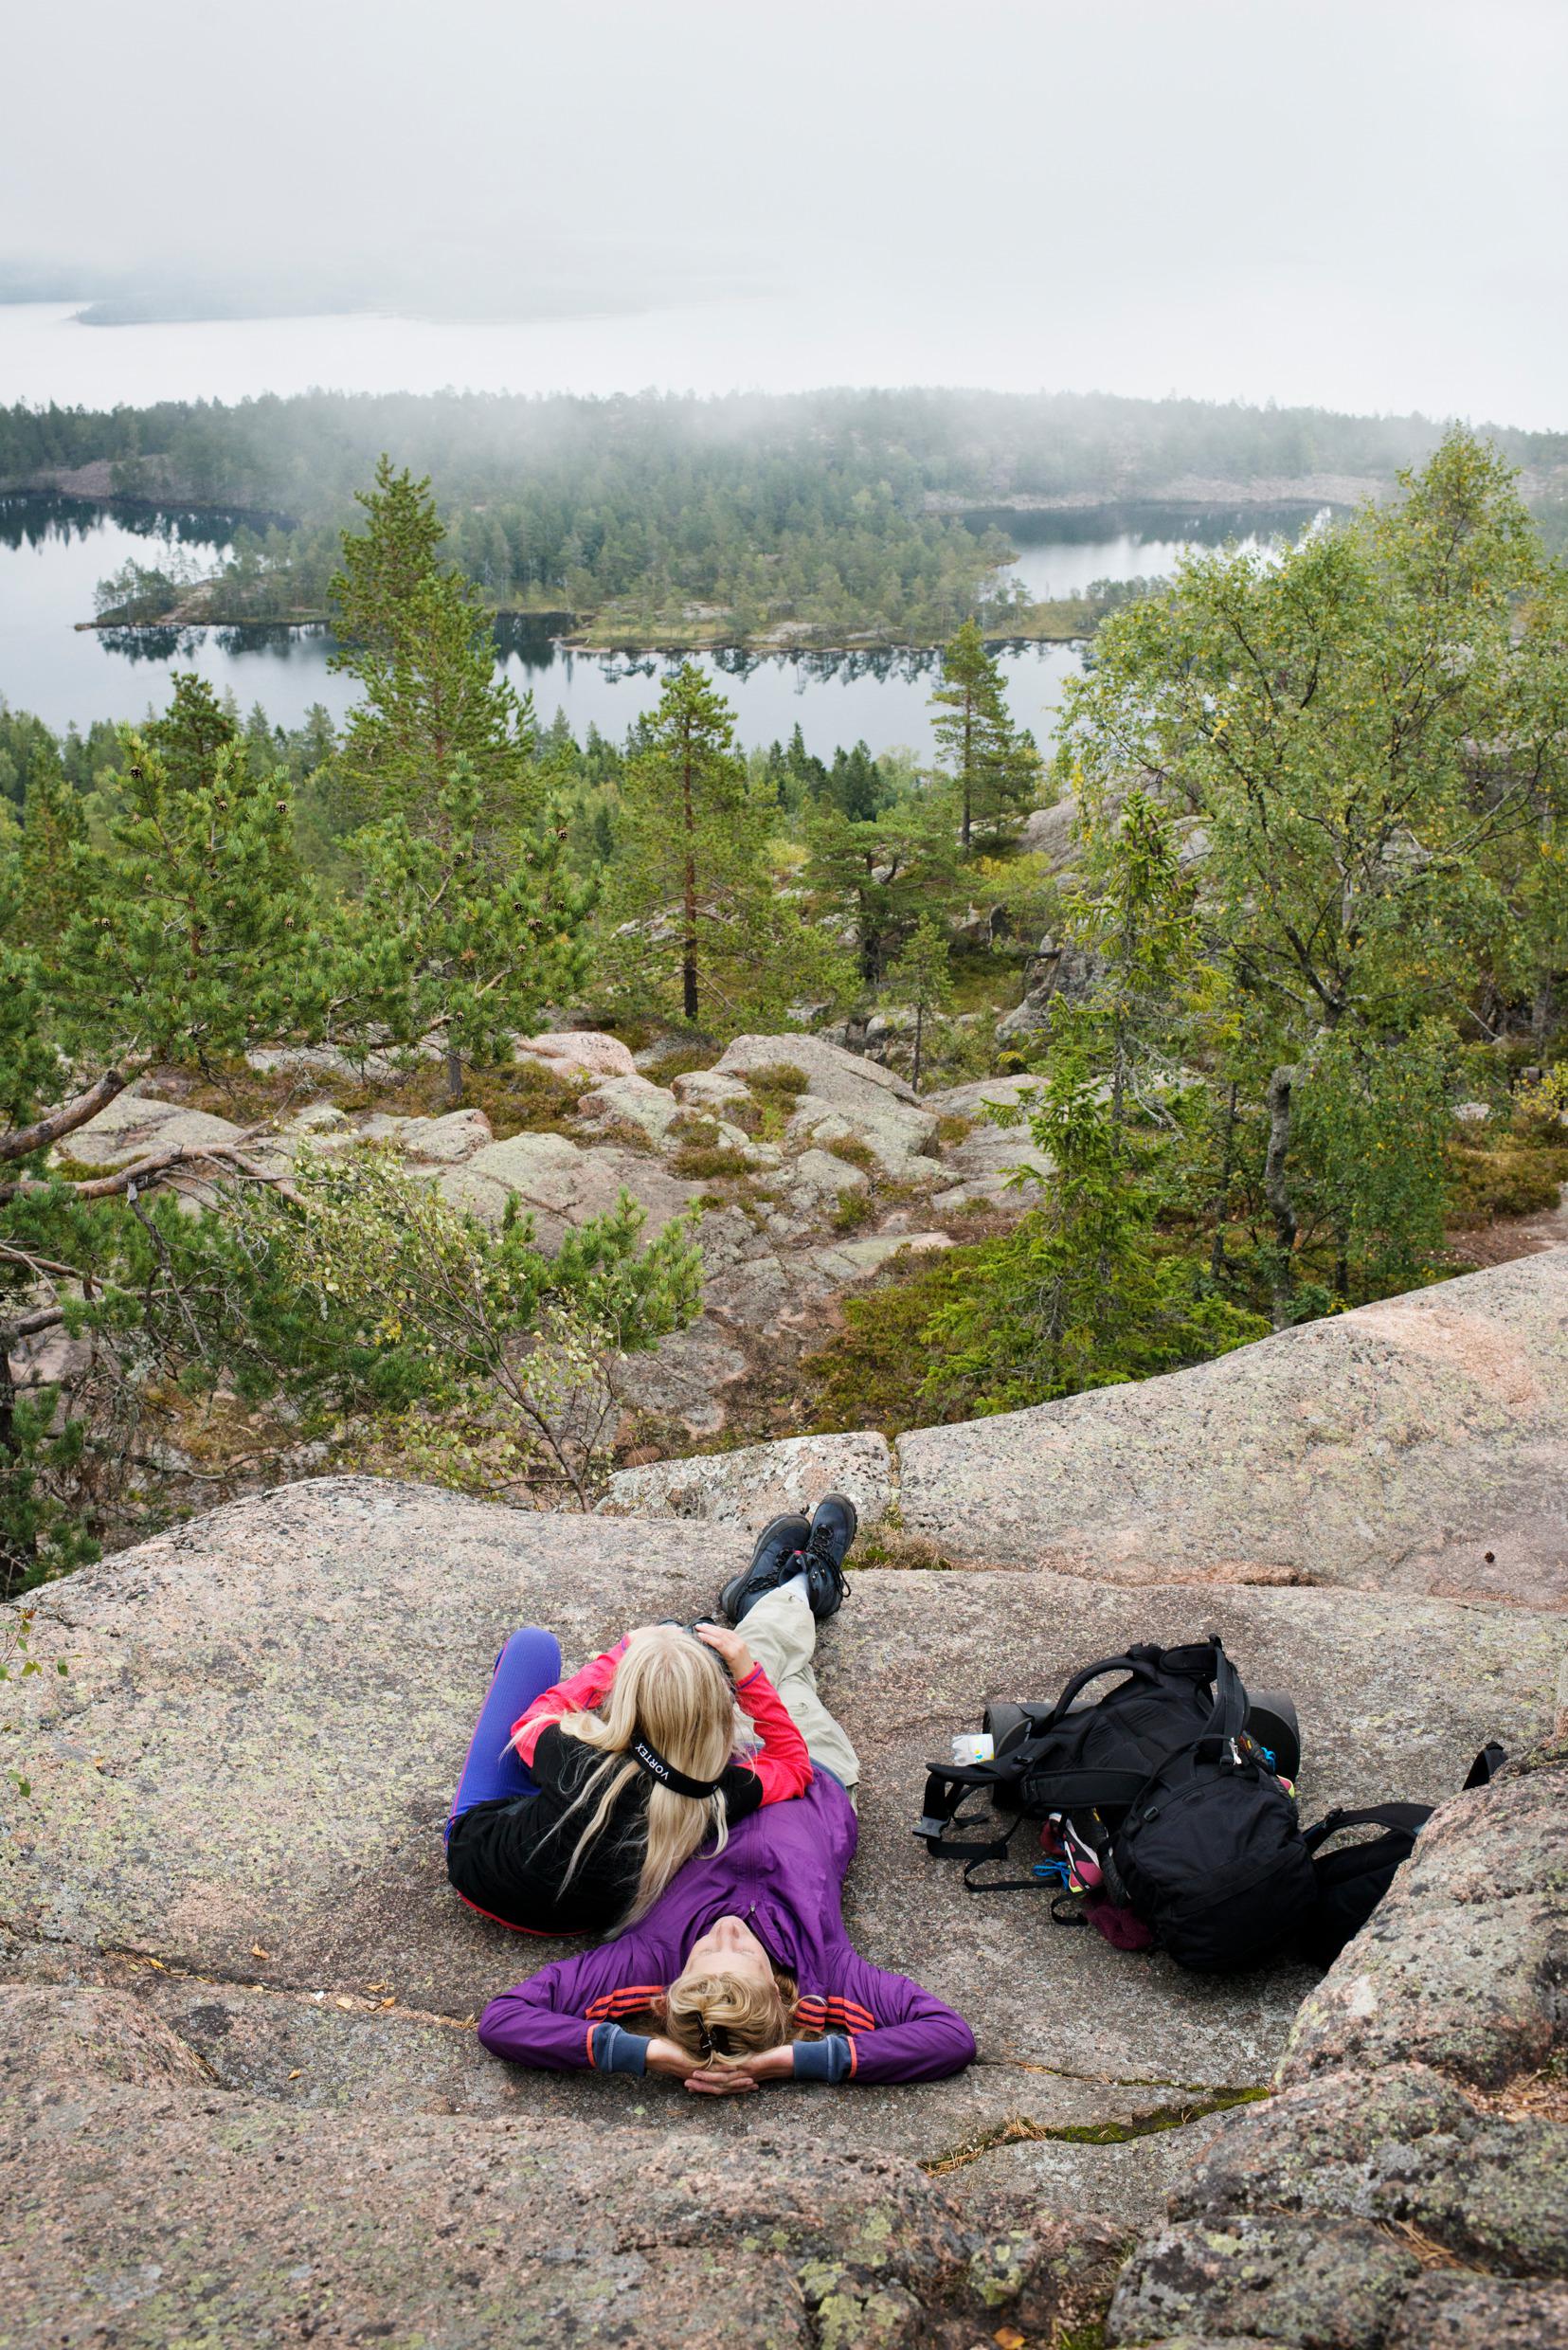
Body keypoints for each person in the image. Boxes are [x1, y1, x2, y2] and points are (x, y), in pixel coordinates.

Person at [477, 1496, 977, 2092]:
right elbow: (949, 2035)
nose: (726, 1930)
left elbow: (505, 2021)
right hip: (812, 1774)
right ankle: (793, 1589)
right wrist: (800, 2061)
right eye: (740, 1950)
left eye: (706, 1951)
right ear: (783, 1997)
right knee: (776, 1674)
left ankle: (785, 1594)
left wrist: (643, 2053)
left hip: (700, 1766)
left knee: (766, 1661)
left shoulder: (650, 1958)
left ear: (665, 1997)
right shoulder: (827, 1972)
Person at [444, 1508, 848, 1936]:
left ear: (622, 1701)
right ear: (716, 1717)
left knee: (532, 1646)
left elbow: (533, 1720)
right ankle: (789, 1592)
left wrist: (623, 1652)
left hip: (477, 1869)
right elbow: (793, 1765)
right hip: (576, 1924)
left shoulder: (571, 1755)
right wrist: (748, 1674)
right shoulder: (715, 1797)